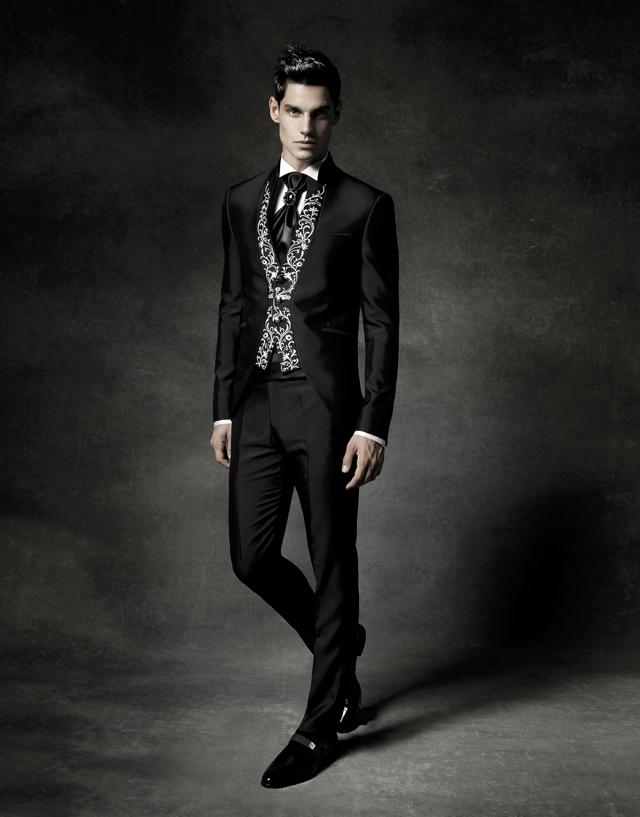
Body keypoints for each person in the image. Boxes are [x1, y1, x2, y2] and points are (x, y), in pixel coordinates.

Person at [210, 42, 399, 788]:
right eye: (294, 111)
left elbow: (382, 322)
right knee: (250, 557)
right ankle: (340, 639)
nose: (306, 127)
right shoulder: (239, 200)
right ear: (273, 110)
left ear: (336, 116)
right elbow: (233, 305)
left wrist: (373, 421)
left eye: (320, 115)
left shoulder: (365, 206)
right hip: (256, 402)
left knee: (332, 559)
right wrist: (223, 407)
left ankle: (320, 728)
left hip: (326, 409)